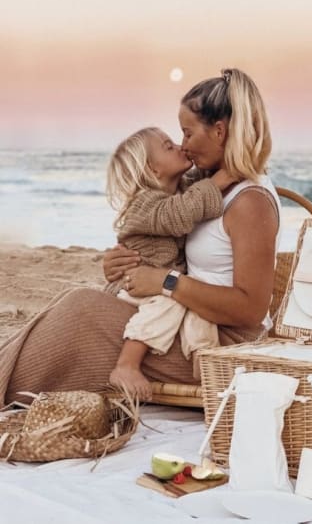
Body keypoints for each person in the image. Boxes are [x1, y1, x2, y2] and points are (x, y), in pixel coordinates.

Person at [0, 68, 281, 404]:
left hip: (217, 342)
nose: (184, 145)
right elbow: (160, 223)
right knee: (75, 304)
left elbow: (251, 309)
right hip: (184, 321)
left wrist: (167, 282)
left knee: (81, 312)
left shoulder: (250, 202)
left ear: (219, 131)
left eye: (188, 133)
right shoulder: (204, 187)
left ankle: (8, 386)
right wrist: (119, 262)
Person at [104, 127, 239, 400]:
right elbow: (179, 214)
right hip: (139, 287)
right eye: (168, 147)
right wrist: (221, 181)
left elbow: (196, 186)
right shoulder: (145, 204)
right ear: (153, 170)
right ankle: (127, 364)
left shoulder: (181, 188)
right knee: (171, 300)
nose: (179, 146)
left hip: (162, 282)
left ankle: (203, 356)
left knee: (197, 298)